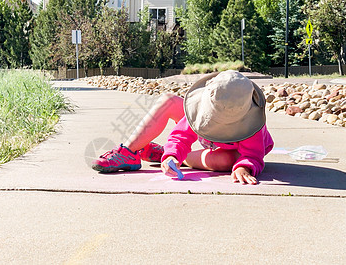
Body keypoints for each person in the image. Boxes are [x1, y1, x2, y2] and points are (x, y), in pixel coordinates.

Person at [91, 70, 274, 185]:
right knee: (168, 101)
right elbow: (181, 135)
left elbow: (252, 155)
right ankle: (129, 152)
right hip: (208, 137)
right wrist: (172, 154)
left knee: (227, 162)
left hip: (233, 150)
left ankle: (177, 157)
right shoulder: (202, 110)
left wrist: (244, 168)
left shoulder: (251, 126)